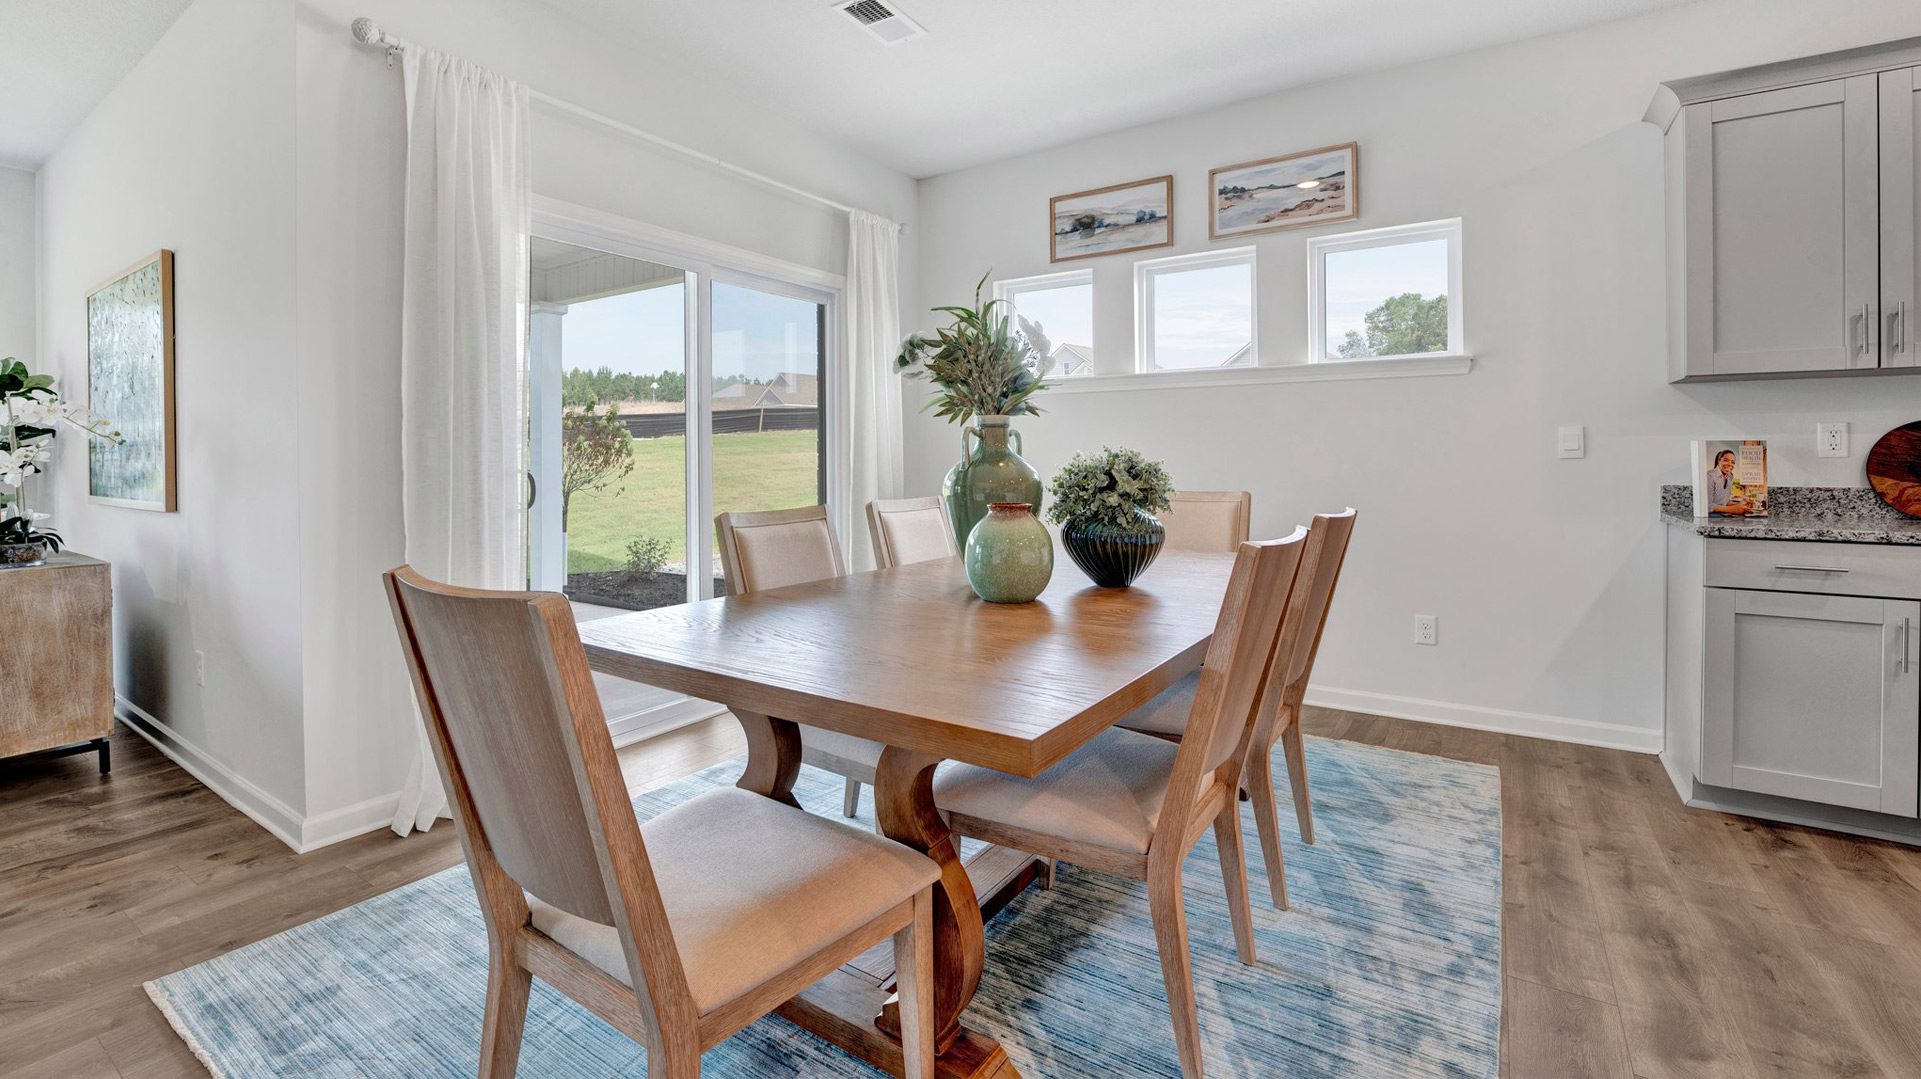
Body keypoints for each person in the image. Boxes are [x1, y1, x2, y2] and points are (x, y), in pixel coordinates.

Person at [1705, 449, 1752, 515]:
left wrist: (1740, 505)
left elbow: (1724, 502)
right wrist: (1733, 509)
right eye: (1726, 460)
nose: (1730, 464)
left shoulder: (1730, 477)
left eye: (1733, 462)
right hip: (1711, 516)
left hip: (1722, 514)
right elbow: (1707, 505)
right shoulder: (1709, 476)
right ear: (1718, 461)